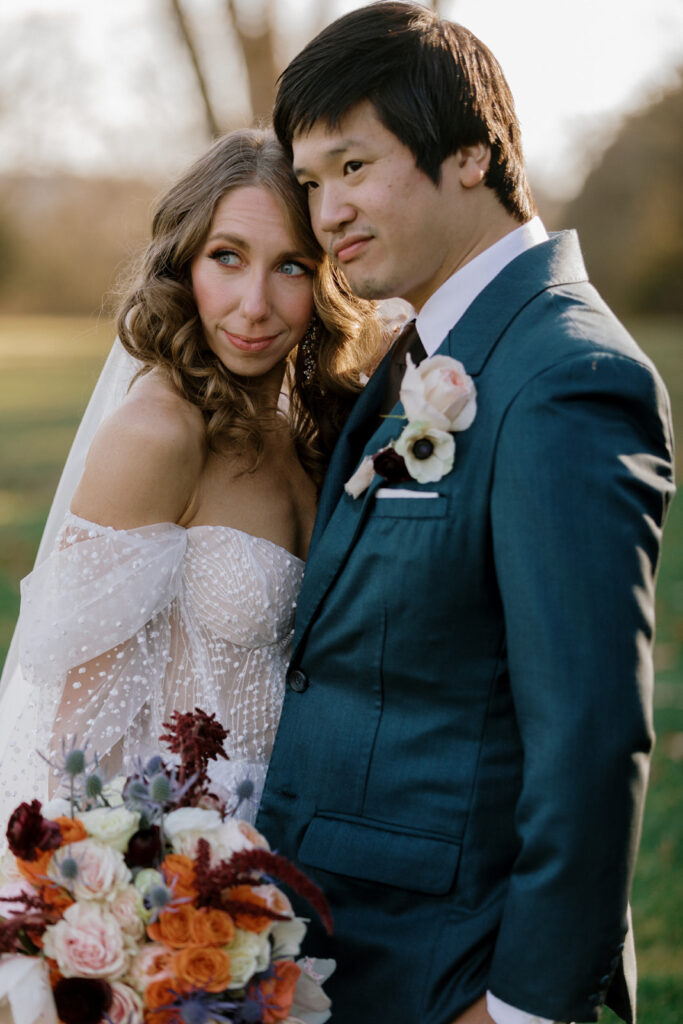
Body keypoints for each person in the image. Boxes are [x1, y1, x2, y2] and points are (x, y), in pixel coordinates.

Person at [255, 4, 676, 1024]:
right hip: (348, 953)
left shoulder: (564, 374)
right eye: (309, 183)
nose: (326, 214)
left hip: (452, 977)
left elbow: (588, 734)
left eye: (352, 167)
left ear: (472, 154)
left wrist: (520, 1006)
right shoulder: (425, 353)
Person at [0, 128, 380, 823]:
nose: (254, 304)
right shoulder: (157, 436)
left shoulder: (311, 438)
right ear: (183, 263)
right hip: (180, 862)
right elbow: (73, 735)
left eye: (292, 266)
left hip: (297, 843)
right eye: (226, 258)